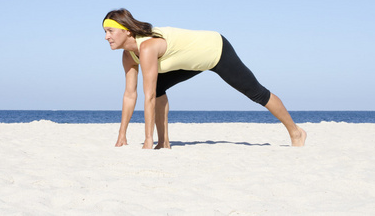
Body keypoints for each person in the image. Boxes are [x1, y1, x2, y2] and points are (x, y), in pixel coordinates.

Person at [102, 8, 306, 149]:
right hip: (190, 62)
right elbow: (130, 94)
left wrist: (147, 140)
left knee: (256, 93)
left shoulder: (147, 47)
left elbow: (147, 95)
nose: (106, 37)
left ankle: (296, 132)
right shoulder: (128, 55)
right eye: (105, 32)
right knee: (160, 86)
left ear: (126, 31)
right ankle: (163, 142)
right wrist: (122, 134)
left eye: (110, 31)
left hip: (214, 50)